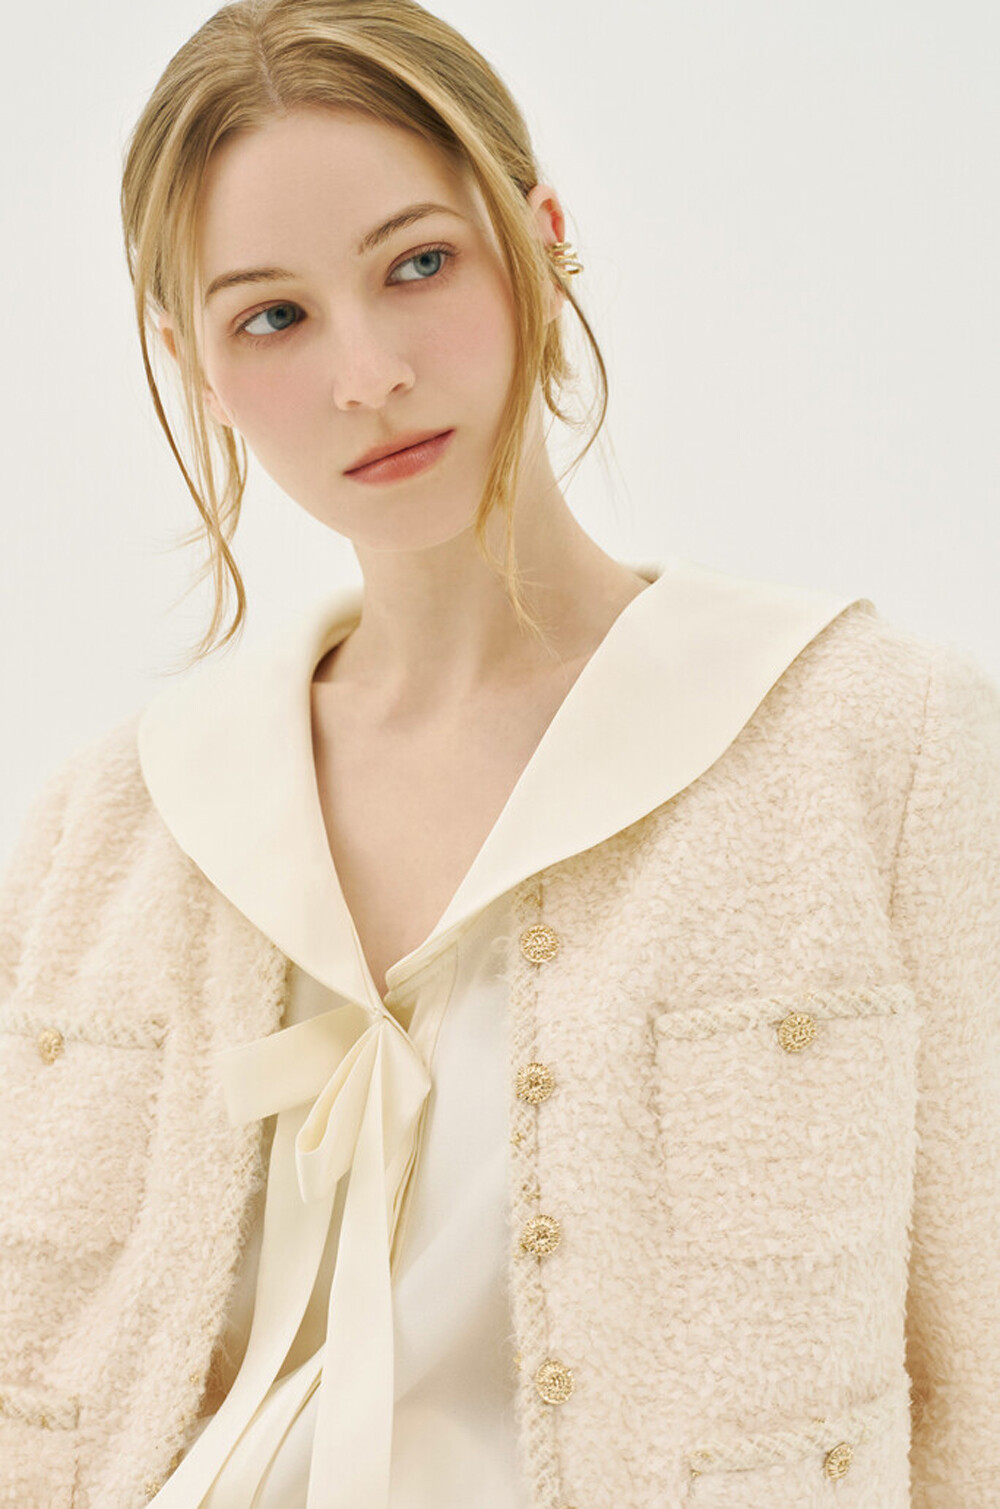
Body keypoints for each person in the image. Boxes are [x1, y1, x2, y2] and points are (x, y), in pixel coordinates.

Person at [1, 0, 998, 1505]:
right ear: (193, 364)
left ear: (541, 238)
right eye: (273, 317)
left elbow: (978, 1371)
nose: (368, 375)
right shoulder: (113, 828)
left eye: (418, 264)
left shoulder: (871, 745)